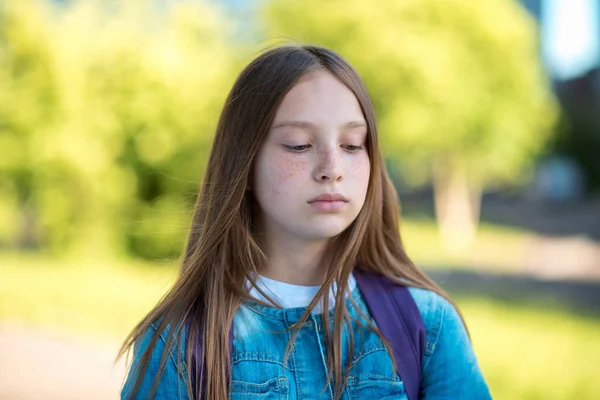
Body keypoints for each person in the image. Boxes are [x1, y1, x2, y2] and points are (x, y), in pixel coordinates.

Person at [118, 44, 492, 400]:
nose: (332, 169)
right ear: (243, 164)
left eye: (351, 145)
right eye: (299, 144)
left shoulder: (428, 326)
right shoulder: (178, 343)